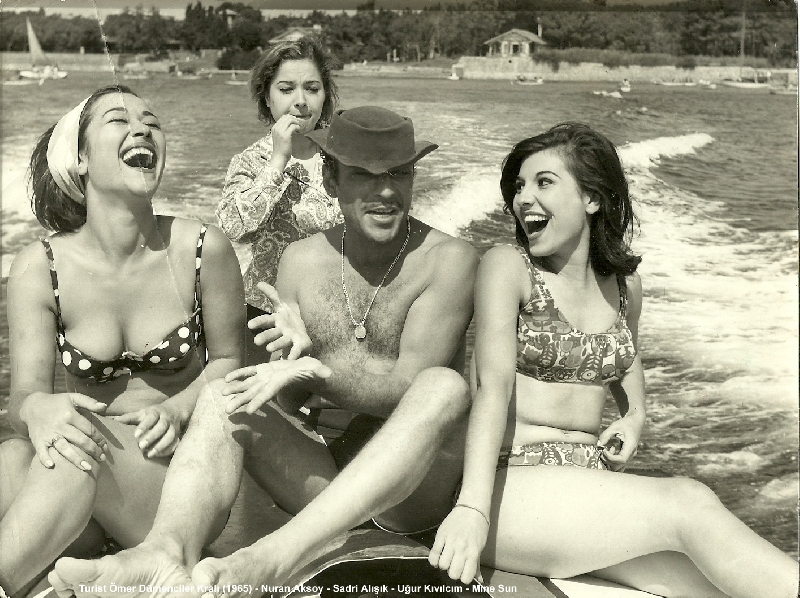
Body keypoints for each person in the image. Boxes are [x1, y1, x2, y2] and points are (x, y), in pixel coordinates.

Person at [48, 106, 480, 597]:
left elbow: (407, 389)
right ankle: (163, 554)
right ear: (331, 180)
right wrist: (287, 361)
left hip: (413, 489)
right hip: (325, 478)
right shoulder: (301, 260)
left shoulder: (448, 260)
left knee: (444, 386)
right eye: (365, 175)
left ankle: (270, 560)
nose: (385, 192)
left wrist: (314, 369)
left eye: (398, 174)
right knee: (222, 395)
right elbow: (289, 402)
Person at [427, 123, 798, 598]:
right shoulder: (508, 266)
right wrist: (472, 509)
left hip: (589, 487)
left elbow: (627, 362)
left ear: (592, 198)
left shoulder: (625, 290)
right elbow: (492, 388)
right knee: (688, 500)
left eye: (544, 182)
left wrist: (634, 418)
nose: (523, 198)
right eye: (519, 186)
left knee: (707, 587)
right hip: (511, 486)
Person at [0, 85, 244, 595]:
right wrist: (36, 408)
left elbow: (229, 361)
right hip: (83, 488)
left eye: (152, 122)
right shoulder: (39, 268)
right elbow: (23, 396)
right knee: (10, 460)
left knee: (77, 449)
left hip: (177, 485)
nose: (142, 130)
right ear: (81, 159)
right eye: (119, 120)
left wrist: (177, 409)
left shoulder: (203, 249)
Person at [216, 36, 342, 364]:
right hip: (266, 319)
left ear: (325, 97)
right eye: (286, 89)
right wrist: (278, 161)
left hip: (335, 314)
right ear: (267, 98)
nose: (300, 101)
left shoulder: (344, 157)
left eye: (312, 89)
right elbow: (233, 227)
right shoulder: (250, 161)